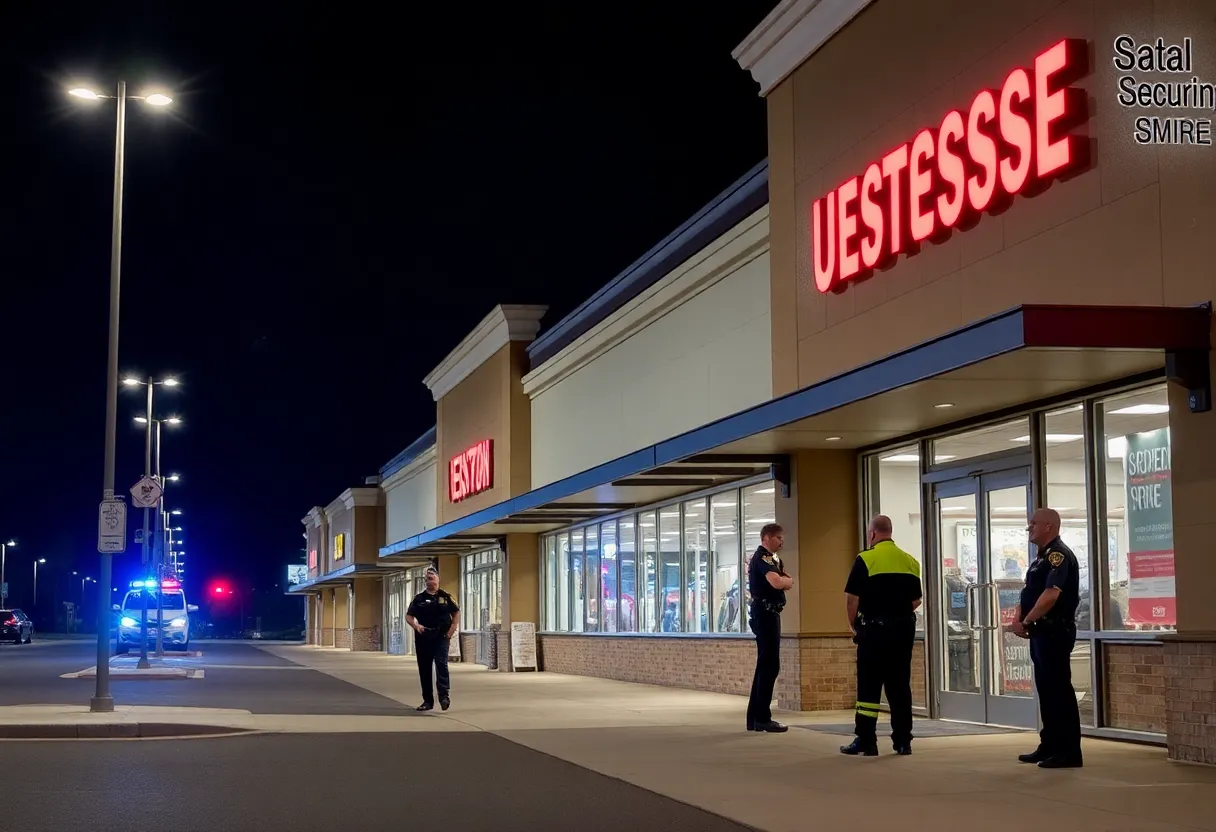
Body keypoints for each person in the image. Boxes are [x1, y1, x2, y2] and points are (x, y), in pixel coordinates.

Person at [841, 515, 922, 756]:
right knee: (899, 686)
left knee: (869, 687)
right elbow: (916, 599)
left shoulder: (865, 559)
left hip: (874, 631)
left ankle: (866, 740)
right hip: (903, 631)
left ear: (873, 533)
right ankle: (903, 741)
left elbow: (852, 598)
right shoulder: (910, 561)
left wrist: (855, 626)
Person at [1013, 508, 1082, 768]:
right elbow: (1030, 591)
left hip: (1054, 631)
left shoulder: (1058, 555)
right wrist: (1020, 617)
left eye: (1034, 524)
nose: (1029, 528)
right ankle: (1050, 745)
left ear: (1050, 526)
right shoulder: (1040, 558)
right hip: (1041, 632)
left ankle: (1068, 751)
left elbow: (1051, 595)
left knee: (1058, 690)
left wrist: (1028, 619)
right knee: (1046, 690)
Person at [746, 523, 793, 733]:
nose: (782, 542)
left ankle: (756, 717)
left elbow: (785, 579)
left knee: (766, 665)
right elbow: (777, 581)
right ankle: (762, 718)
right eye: (779, 538)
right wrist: (786, 581)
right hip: (765, 614)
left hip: (771, 613)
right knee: (769, 665)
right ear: (767, 538)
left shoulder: (774, 559)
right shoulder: (763, 558)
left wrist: (786, 580)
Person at [406, 566, 460, 712]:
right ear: (425, 581)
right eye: (428, 578)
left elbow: (456, 613)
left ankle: (444, 697)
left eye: (433, 577)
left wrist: (452, 629)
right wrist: (416, 626)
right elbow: (408, 616)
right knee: (424, 668)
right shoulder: (419, 599)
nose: (430, 580)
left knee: (441, 664)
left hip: (441, 636)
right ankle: (427, 701)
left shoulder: (445, 597)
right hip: (424, 636)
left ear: (438, 579)